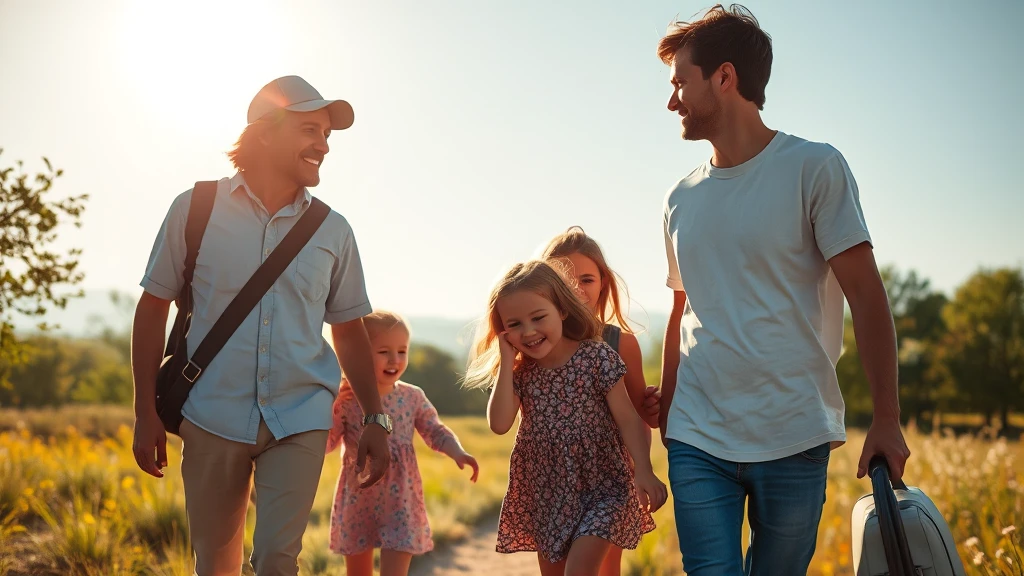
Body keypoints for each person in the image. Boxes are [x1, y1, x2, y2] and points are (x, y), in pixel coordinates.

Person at [654, 5, 911, 574]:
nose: (671, 101)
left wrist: (887, 418)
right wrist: (670, 408)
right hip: (698, 433)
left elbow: (868, 299)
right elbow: (681, 311)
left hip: (794, 432)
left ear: (724, 77)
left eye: (680, 83)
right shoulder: (679, 198)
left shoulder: (815, 168)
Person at [131, 75, 393, 576]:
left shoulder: (334, 230)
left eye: (327, 136)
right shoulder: (196, 208)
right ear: (267, 131)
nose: (322, 145)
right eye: (310, 130)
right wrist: (145, 410)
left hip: (300, 413)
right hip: (211, 413)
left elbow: (349, 330)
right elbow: (152, 307)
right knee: (215, 564)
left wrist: (375, 418)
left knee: (277, 558)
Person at [464, 259, 667, 576]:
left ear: (561, 309)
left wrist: (644, 469)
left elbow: (628, 418)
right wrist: (506, 359)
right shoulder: (520, 373)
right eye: (514, 324)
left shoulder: (596, 356)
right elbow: (499, 424)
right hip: (548, 494)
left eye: (537, 317)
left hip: (606, 486)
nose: (528, 331)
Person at [541, 225, 657, 576]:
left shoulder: (621, 343)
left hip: (610, 481)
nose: (576, 289)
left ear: (603, 283)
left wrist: (640, 470)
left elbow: (639, 418)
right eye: (564, 279)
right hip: (553, 482)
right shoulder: (534, 344)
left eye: (587, 279)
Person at [327, 310, 479, 576]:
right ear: (358, 354)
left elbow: (435, 430)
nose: (395, 360)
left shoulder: (412, 397)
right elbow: (326, 443)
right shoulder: (346, 401)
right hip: (358, 500)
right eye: (384, 351)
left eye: (402, 351)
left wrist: (457, 451)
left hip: (401, 503)